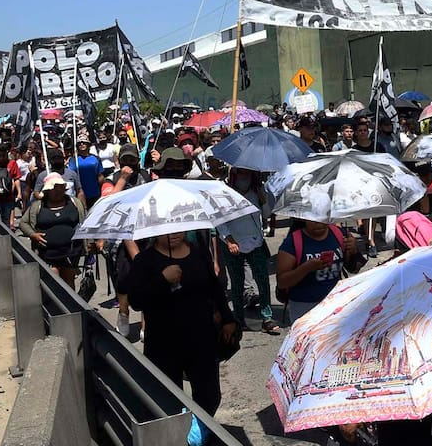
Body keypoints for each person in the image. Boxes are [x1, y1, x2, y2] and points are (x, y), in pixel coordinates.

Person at [126, 230, 237, 416]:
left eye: (177, 229)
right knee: (168, 400)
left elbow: (214, 287)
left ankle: (198, 429)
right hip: (163, 343)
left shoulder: (198, 251)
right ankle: (178, 431)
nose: (174, 234)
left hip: (201, 338)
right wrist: (162, 279)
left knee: (210, 396)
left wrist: (227, 318)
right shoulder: (144, 260)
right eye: (166, 231)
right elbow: (136, 301)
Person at [217, 167, 282, 335]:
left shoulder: (258, 191)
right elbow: (219, 220)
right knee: (237, 283)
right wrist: (229, 240)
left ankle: (267, 317)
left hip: (256, 243)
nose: (244, 176)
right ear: (234, 174)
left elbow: (266, 214)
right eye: (240, 172)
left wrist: (263, 199)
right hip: (233, 244)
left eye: (247, 173)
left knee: (263, 280)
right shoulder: (224, 193)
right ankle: (239, 319)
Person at [275, 210, 362, 322]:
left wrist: (353, 250)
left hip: (334, 303)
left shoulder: (339, 234)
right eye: (313, 219)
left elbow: (354, 269)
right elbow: (282, 282)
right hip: (304, 307)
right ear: (304, 218)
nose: (318, 223)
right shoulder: (292, 242)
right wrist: (306, 268)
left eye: (322, 217)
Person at [21, 173, 87, 287]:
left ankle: (69, 299)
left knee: (69, 282)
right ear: (48, 191)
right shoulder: (37, 206)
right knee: (54, 283)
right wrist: (33, 235)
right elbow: (23, 223)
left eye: (61, 187)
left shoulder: (75, 202)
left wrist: (89, 243)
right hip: (47, 253)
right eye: (55, 188)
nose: (58, 191)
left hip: (71, 252)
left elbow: (85, 222)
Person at [67, 136, 103, 202]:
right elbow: (72, 176)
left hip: (95, 192)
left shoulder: (96, 158)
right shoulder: (73, 160)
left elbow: (100, 175)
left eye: (84, 142)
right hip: (80, 194)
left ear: (88, 145)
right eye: (79, 143)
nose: (82, 144)